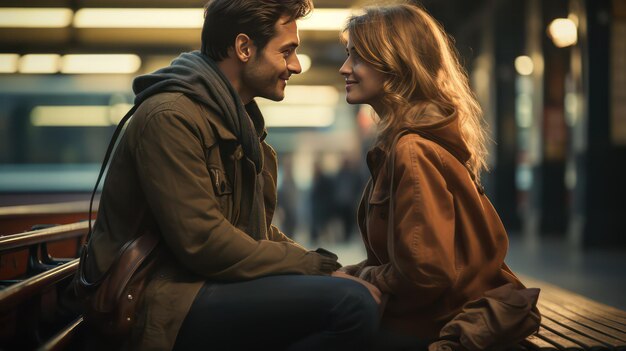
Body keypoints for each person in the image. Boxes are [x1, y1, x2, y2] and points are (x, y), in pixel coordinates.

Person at [78, 1, 381, 350]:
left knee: (347, 295)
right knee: (351, 306)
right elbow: (204, 242)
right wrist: (312, 266)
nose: (295, 66)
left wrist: (326, 270)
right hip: (160, 300)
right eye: (287, 51)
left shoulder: (238, 126)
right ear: (244, 48)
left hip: (200, 285)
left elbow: (253, 234)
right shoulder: (170, 117)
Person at [338, 4, 540, 350]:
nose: (344, 68)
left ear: (395, 63)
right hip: (438, 317)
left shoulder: (412, 150)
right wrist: (353, 274)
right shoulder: (412, 142)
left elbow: (425, 272)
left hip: (438, 327)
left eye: (358, 57)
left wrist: (360, 277)